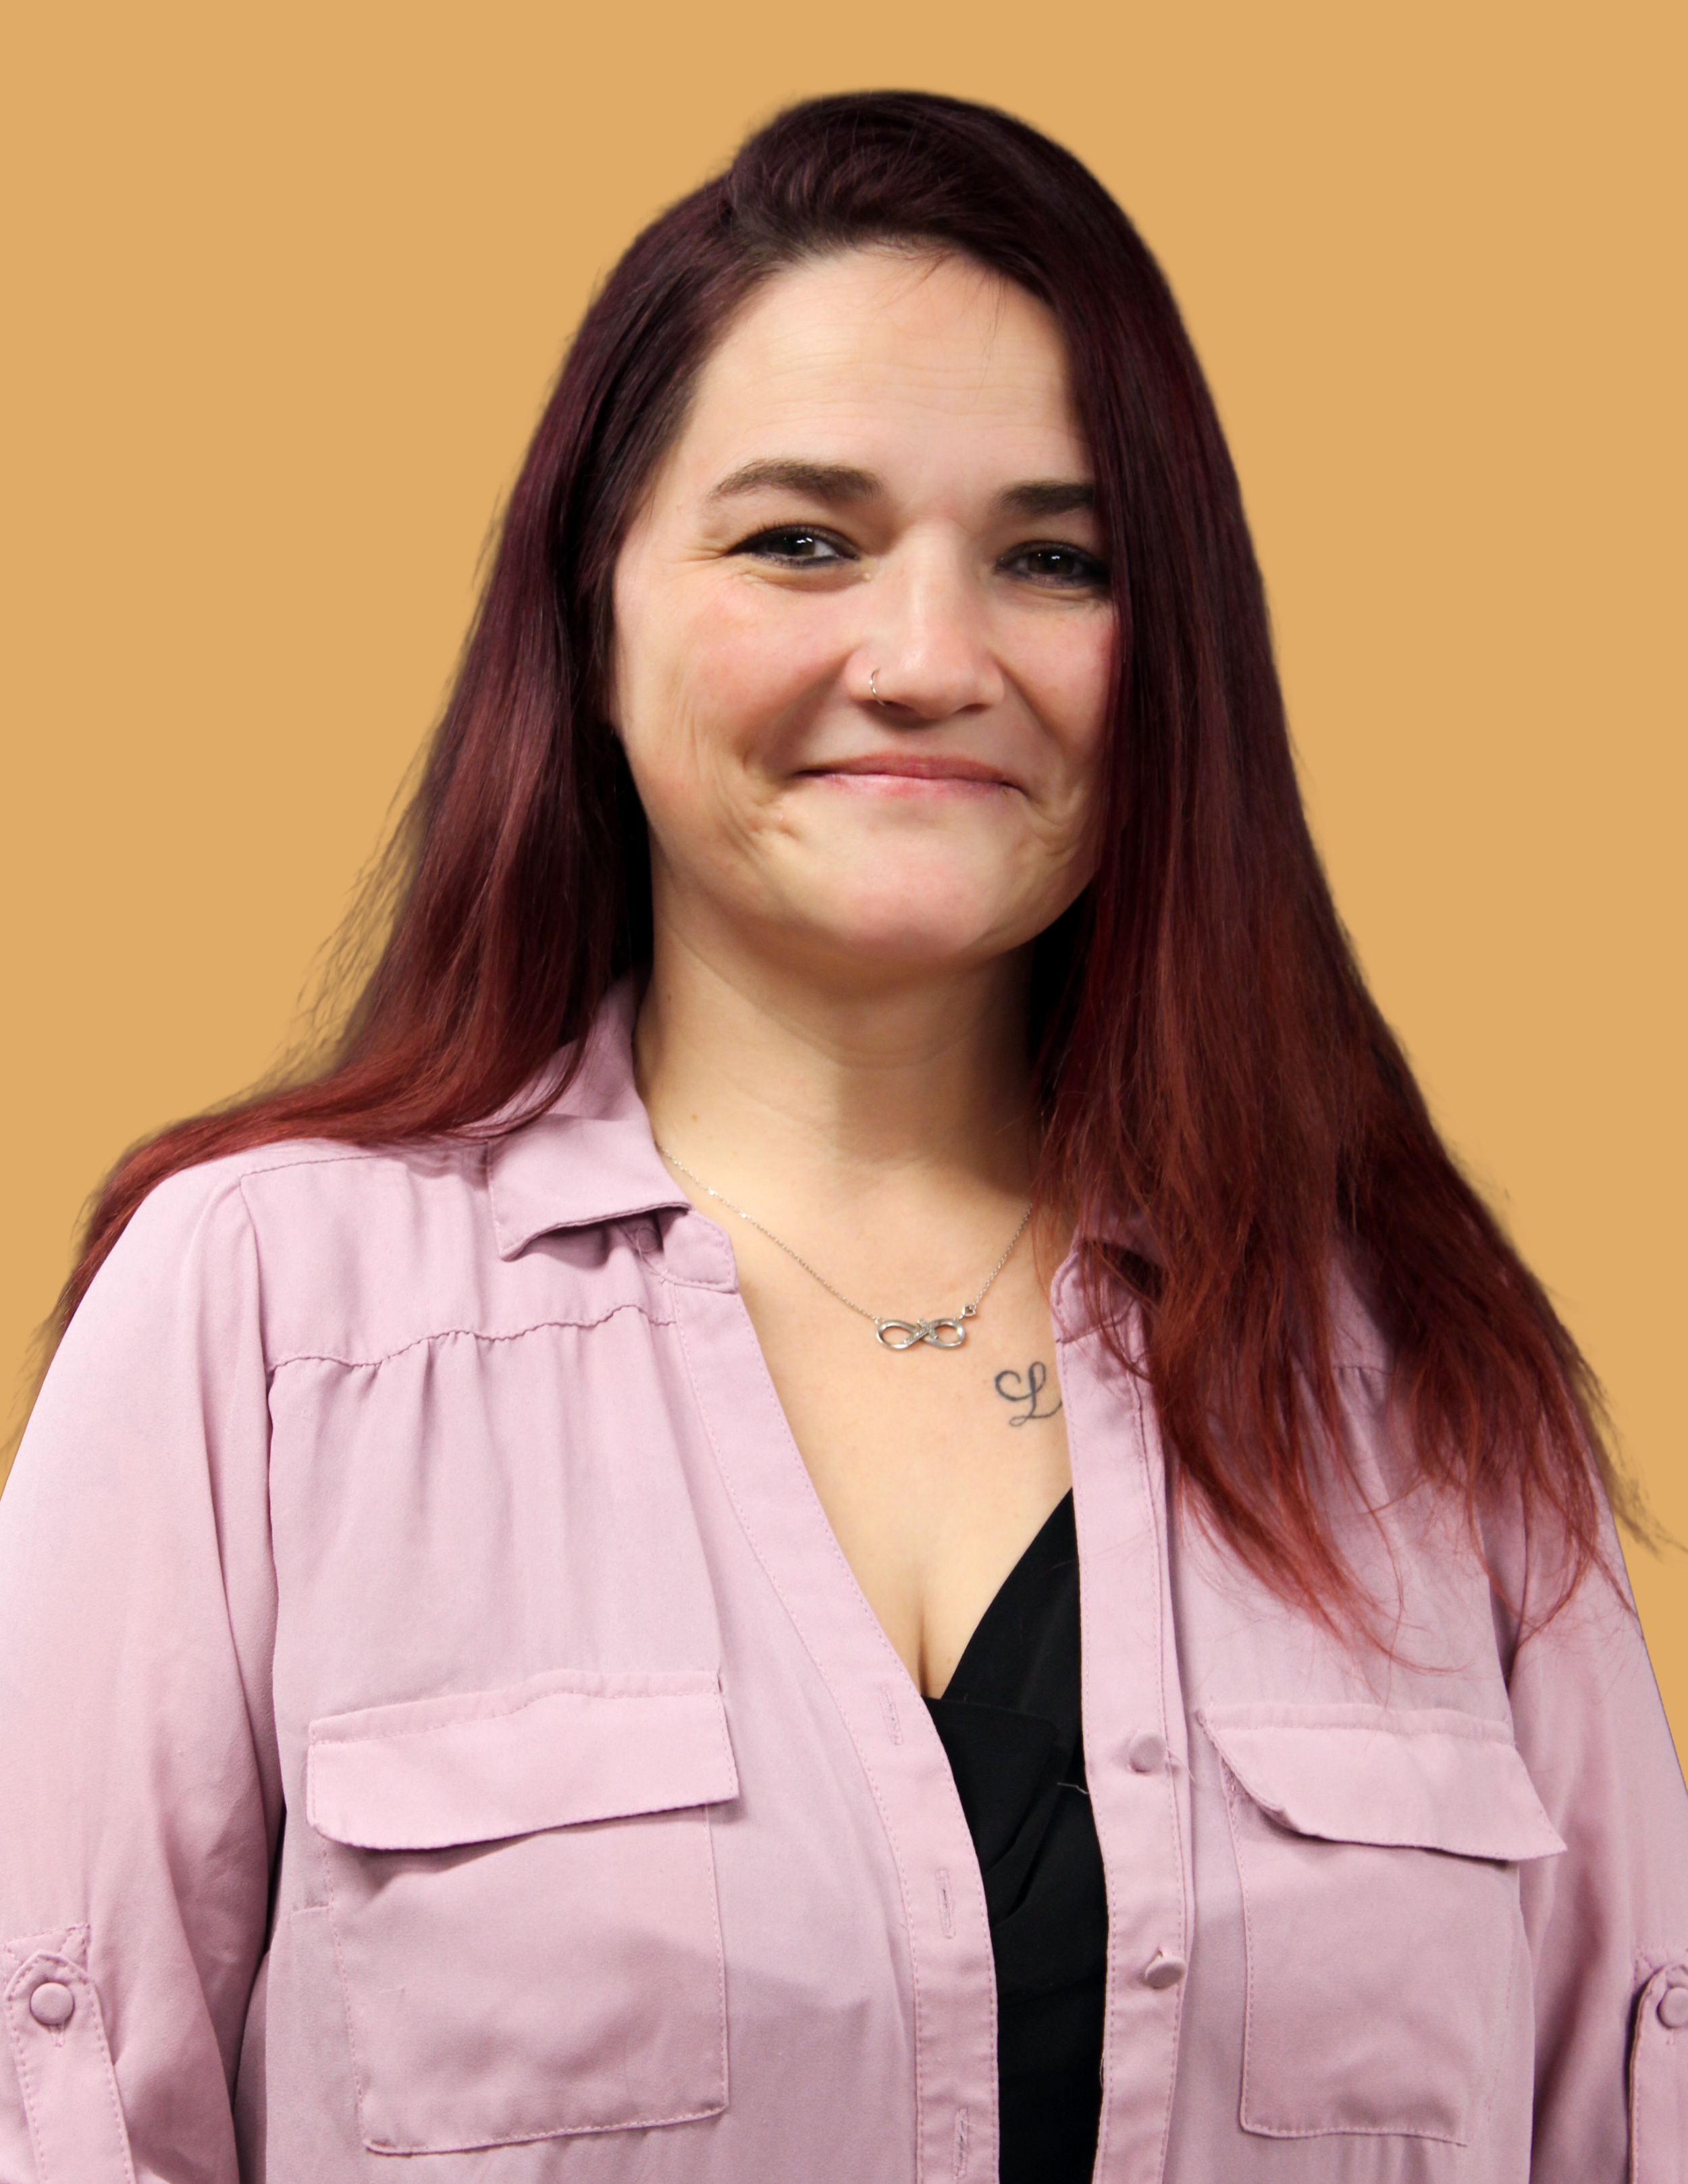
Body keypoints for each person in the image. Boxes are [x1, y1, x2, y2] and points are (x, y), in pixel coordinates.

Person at [0, 89, 1682, 2184]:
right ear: (590, 614)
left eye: (1054, 560)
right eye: (801, 540)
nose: (927, 660)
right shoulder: (256, 1323)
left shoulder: (1423, 1371)